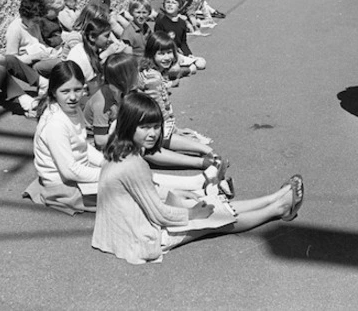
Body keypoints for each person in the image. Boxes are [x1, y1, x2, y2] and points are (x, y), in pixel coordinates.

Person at [91, 92, 304, 265]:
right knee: (215, 218)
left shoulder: (118, 150)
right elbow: (160, 215)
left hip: (120, 231)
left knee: (204, 204)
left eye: (156, 126)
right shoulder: (135, 163)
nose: (153, 133)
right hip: (141, 238)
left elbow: (139, 193)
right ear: (129, 126)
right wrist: (193, 213)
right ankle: (277, 208)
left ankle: (273, 198)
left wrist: (181, 198)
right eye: (144, 127)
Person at [85, 53, 223, 174]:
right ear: (124, 77)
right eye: (135, 73)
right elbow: (100, 140)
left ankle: (206, 150)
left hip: (120, 131)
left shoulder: (127, 90)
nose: (139, 76)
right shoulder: (102, 103)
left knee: (154, 131)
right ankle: (199, 163)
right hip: (101, 145)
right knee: (141, 144)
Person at [22, 61, 104, 215]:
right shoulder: (56, 124)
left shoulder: (73, 109)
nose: (73, 97)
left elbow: (82, 145)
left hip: (77, 173)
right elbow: (70, 172)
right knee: (122, 195)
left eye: (77, 90)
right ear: (53, 91)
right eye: (65, 91)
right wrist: (107, 172)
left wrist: (104, 162)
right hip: (63, 185)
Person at [5, 0, 61, 77]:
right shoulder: (15, 29)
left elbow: (41, 43)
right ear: (25, 16)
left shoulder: (35, 25)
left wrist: (50, 51)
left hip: (40, 59)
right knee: (60, 64)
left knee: (62, 58)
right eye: (35, 21)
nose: (37, 23)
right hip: (28, 66)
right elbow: (11, 60)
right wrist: (34, 57)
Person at [154, 0, 206, 72]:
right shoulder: (161, 21)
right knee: (176, 68)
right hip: (165, 53)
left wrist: (188, 54)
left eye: (174, 3)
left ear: (180, 7)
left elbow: (183, 42)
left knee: (201, 64)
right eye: (168, 2)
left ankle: (185, 66)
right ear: (164, 5)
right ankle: (182, 70)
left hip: (177, 53)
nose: (170, 5)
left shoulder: (182, 23)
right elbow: (157, 42)